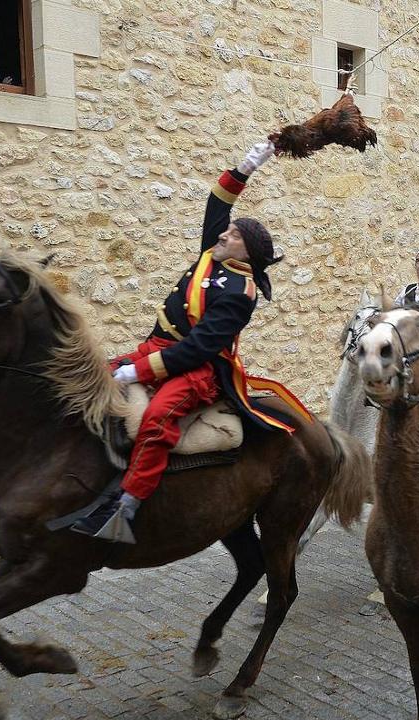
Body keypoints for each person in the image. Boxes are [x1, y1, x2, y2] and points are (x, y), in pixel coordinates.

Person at [69, 140, 300, 542]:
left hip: (199, 370)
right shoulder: (213, 254)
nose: (224, 232)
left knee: (157, 418)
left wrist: (137, 371)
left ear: (248, 251)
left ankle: (127, 507)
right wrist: (246, 167)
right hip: (158, 349)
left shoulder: (239, 292)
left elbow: (197, 350)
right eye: (227, 231)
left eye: (233, 233)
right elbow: (218, 203)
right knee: (88, 379)